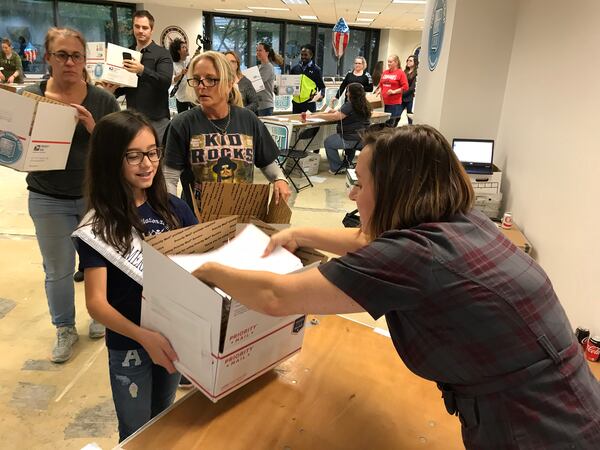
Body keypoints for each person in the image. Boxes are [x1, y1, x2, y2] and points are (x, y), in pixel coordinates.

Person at [192, 125, 600, 449]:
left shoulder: (414, 257)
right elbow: (371, 240)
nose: (351, 194)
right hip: (574, 402)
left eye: (361, 184)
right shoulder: (461, 221)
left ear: (394, 191)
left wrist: (208, 269)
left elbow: (276, 296)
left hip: (534, 430)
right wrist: (299, 234)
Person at [73, 110, 198, 442]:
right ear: (110, 160)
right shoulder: (99, 224)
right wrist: (144, 337)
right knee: (135, 430)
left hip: (172, 335)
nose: (148, 164)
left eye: (152, 151)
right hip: (129, 343)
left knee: (164, 419)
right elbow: (97, 304)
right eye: (134, 156)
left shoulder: (175, 209)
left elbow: (198, 267)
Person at [23, 27, 120, 363]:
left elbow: (120, 152)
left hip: (95, 197)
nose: (69, 62)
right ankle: (64, 327)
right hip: (46, 195)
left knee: (100, 262)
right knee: (58, 269)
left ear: (85, 60)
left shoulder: (103, 100)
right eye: (61, 55)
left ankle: (100, 315)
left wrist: (95, 129)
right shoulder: (31, 97)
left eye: (76, 55)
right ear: (48, 58)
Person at [163, 51, 291, 213]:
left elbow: (267, 163)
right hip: (198, 222)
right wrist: (174, 214)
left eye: (210, 79)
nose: (201, 86)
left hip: (241, 215)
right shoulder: (182, 124)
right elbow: (170, 178)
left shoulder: (248, 119)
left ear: (230, 83)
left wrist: (279, 179)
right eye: (196, 80)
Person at [102, 10, 173, 143]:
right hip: (133, 119)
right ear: (133, 28)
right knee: (135, 156)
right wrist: (112, 90)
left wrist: (142, 70)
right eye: (137, 26)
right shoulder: (126, 52)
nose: (140, 31)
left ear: (151, 30)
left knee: (157, 157)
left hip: (157, 120)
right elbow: (125, 85)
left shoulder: (162, 54)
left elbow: (165, 82)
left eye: (145, 27)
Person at [311, 83, 372, 174]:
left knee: (328, 142)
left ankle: (336, 167)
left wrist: (317, 116)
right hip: (363, 138)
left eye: (347, 92)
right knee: (349, 143)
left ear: (351, 93)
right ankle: (347, 163)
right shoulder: (365, 104)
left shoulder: (349, 105)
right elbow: (343, 113)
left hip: (350, 138)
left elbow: (335, 117)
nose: (346, 94)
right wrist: (333, 111)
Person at [373, 54, 408, 127]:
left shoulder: (400, 73)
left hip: (394, 103)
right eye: (388, 62)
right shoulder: (385, 72)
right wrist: (380, 90)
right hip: (383, 102)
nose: (388, 63)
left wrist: (394, 91)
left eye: (390, 62)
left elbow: (405, 87)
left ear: (396, 62)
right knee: (382, 123)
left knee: (390, 124)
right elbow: (381, 84)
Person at [290, 44, 325, 114]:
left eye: (305, 55)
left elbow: (321, 86)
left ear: (311, 56)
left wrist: (322, 95)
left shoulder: (316, 69)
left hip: (309, 103)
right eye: (302, 55)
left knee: (309, 124)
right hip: (296, 103)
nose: (303, 57)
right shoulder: (295, 69)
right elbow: (289, 84)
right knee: (296, 123)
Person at [255, 41, 283, 117]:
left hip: (265, 106)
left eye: (260, 50)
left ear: (267, 53)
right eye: (257, 50)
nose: (258, 52)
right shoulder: (259, 67)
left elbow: (257, 84)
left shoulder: (268, 67)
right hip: (258, 105)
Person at [169, 38, 193, 113]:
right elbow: (171, 81)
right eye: (183, 47)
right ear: (178, 51)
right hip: (181, 98)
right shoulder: (173, 64)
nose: (187, 48)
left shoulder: (190, 60)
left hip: (193, 96)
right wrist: (180, 74)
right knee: (183, 120)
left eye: (186, 46)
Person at [399, 54, 418, 125]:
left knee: (410, 118)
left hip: (409, 98)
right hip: (401, 98)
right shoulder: (404, 72)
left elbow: (412, 88)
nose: (408, 62)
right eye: (408, 60)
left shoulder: (416, 73)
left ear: (415, 62)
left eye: (410, 61)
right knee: (397, 116)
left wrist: (401, 93)